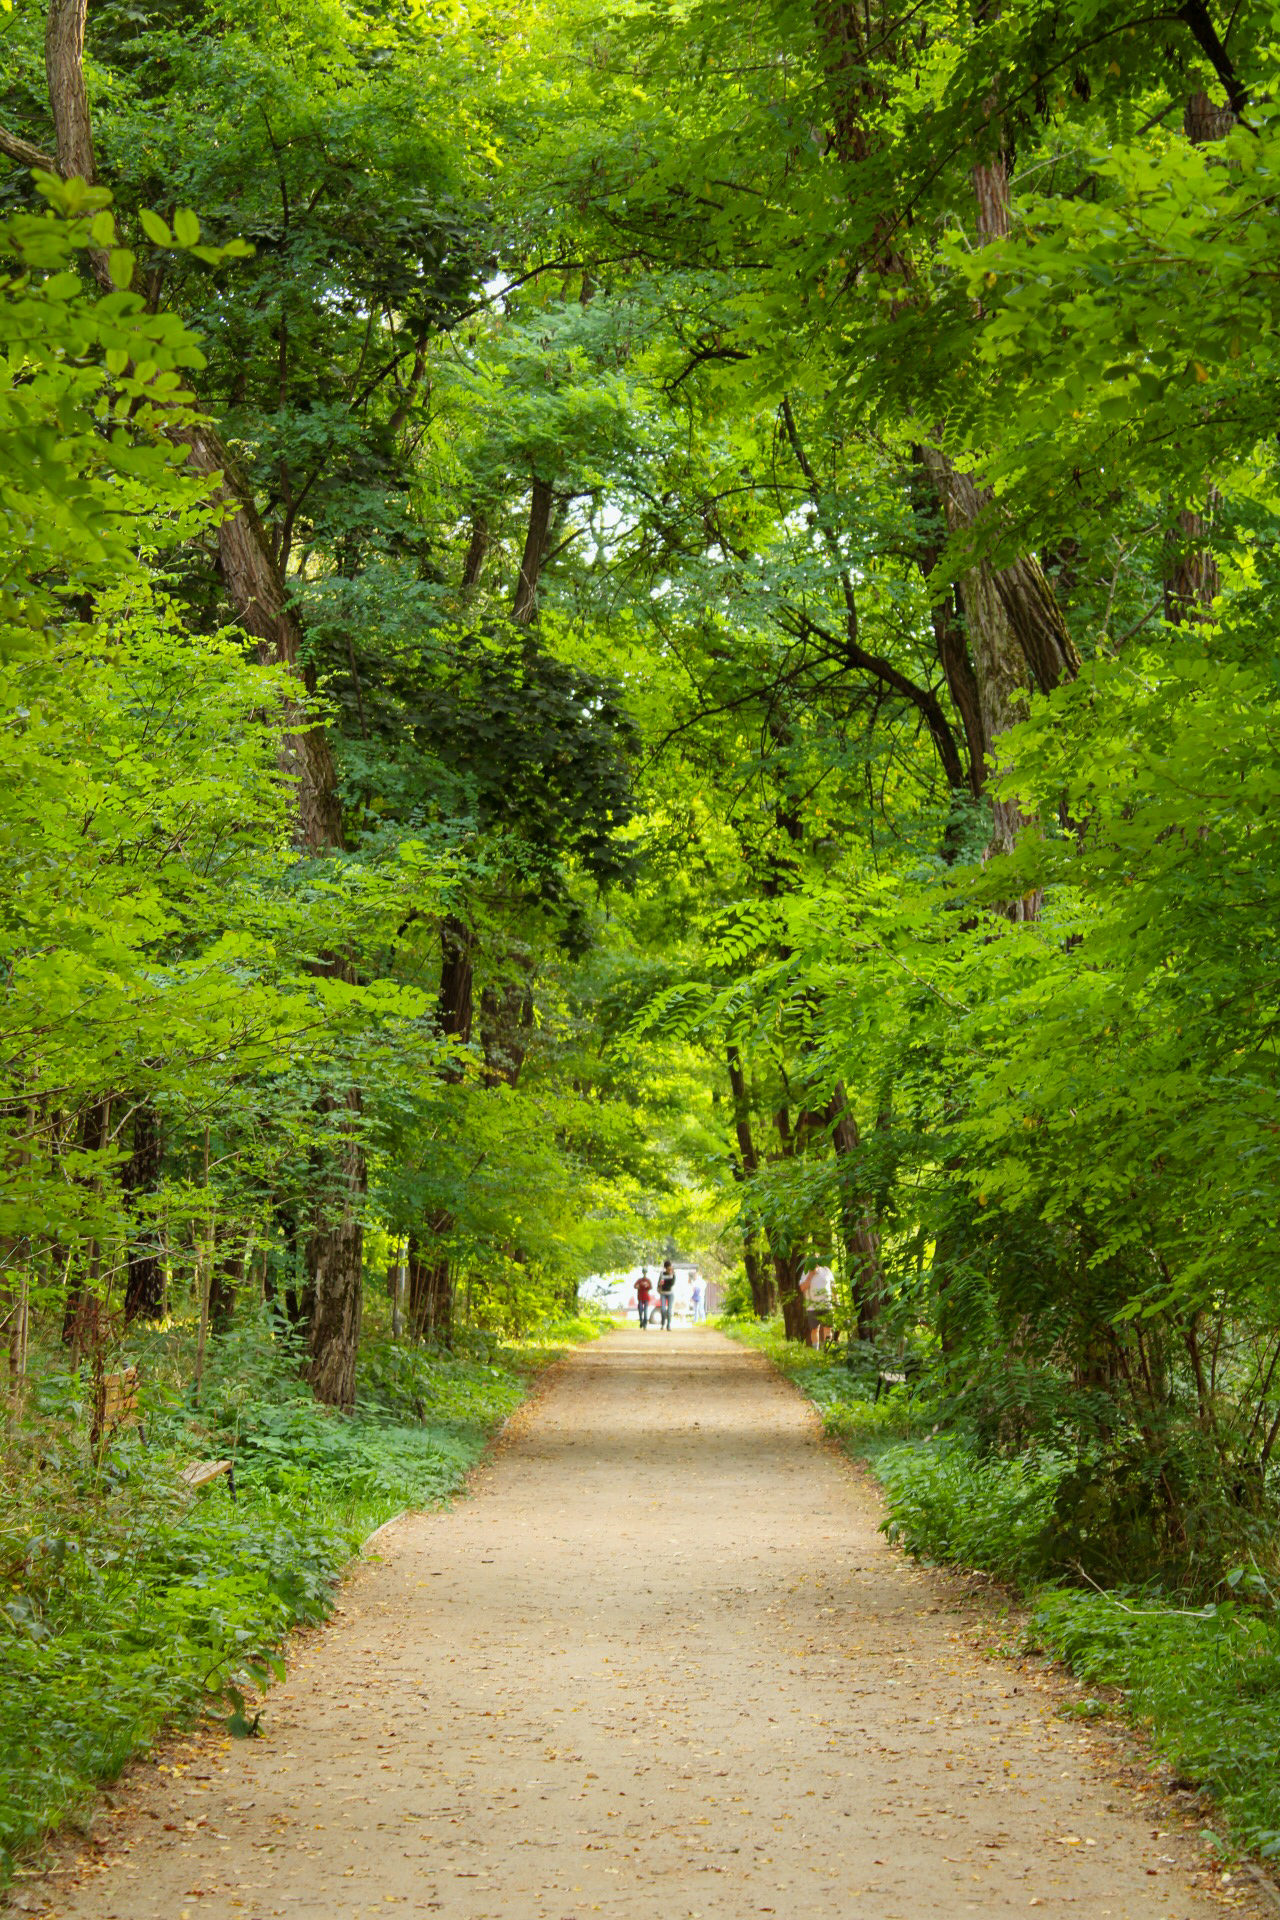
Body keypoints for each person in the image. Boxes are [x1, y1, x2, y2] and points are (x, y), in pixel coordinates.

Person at [799, 1257, 835, 1349]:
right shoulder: (806, 1272)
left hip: (827, 1304)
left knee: (828, 1328)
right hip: (812, 1306)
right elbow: (802, 1287)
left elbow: (833, 1287)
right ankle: (816, 1351)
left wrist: (836, 1300)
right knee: (815, 1329)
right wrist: (811, 1275)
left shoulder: (826, 1270)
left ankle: (827, 1349)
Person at [657, 1258, 676, 1330]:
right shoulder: (662, 1274)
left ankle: (668, 1325)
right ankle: (662, 1324)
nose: (669, 1269)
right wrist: (659, 1287)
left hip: (670, 1293)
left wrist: (672, 1274)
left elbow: (672, 1284)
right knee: (663, 1309)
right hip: (663, 1293)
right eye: (667, 1267)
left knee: (669, 1310)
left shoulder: (673, 1274)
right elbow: (659, 1282)